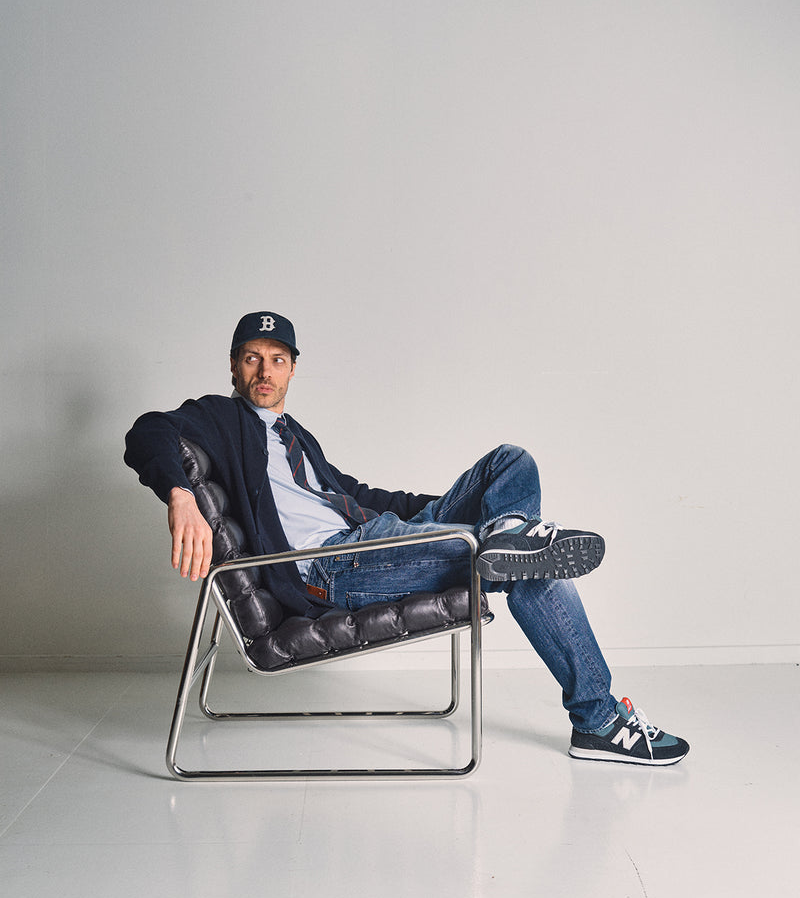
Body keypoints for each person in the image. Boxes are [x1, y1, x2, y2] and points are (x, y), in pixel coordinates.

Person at [125, 310, 689, 766]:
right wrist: (180, 495)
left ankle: (505, 535)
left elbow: (354, 492)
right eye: (253, 359)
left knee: (510, 463)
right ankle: (599, 719)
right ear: (233, 365)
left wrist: (447, 510)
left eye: (277, 360)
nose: (264, 372)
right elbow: (147, 431)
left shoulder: (293, 434)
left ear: (294, 369)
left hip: (375, 538)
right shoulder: (220, 418)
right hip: (335, 568)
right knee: (528, 564)